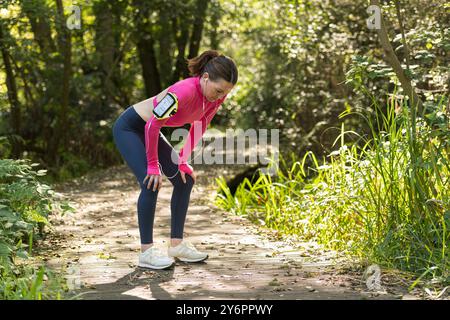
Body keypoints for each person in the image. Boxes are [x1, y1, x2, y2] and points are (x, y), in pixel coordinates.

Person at [112, 50, 238, 269]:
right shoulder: (182, 92)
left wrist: (182, 159)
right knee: (150, 182)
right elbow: (152, 125)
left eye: (225, 93)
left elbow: (201, 124)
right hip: (131, 128)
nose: (220, 97)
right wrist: (153, 166)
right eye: (218, 91)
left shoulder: (216, 95)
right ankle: (147, 252)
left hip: (151, 130)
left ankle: (177, 245)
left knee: (185, 180)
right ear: (205, 78)